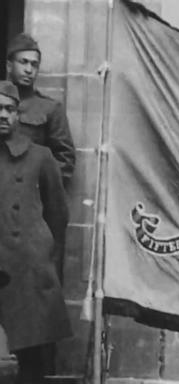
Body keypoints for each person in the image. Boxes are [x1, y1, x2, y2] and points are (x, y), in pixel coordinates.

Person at [0, 81, 72, 384]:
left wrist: (41, 254)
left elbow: (58, 214)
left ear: (18, 114)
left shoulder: (40, 156)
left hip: (26, 265)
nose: (3, 115)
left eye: (9, 109)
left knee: (31, 361)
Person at [6, 33, 75, 186]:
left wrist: (39, 187)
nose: (29, 70)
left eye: (34, 64)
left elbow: (65, 160)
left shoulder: (50, 109)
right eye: (23, 62)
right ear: (9, 66)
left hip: (29, 197)